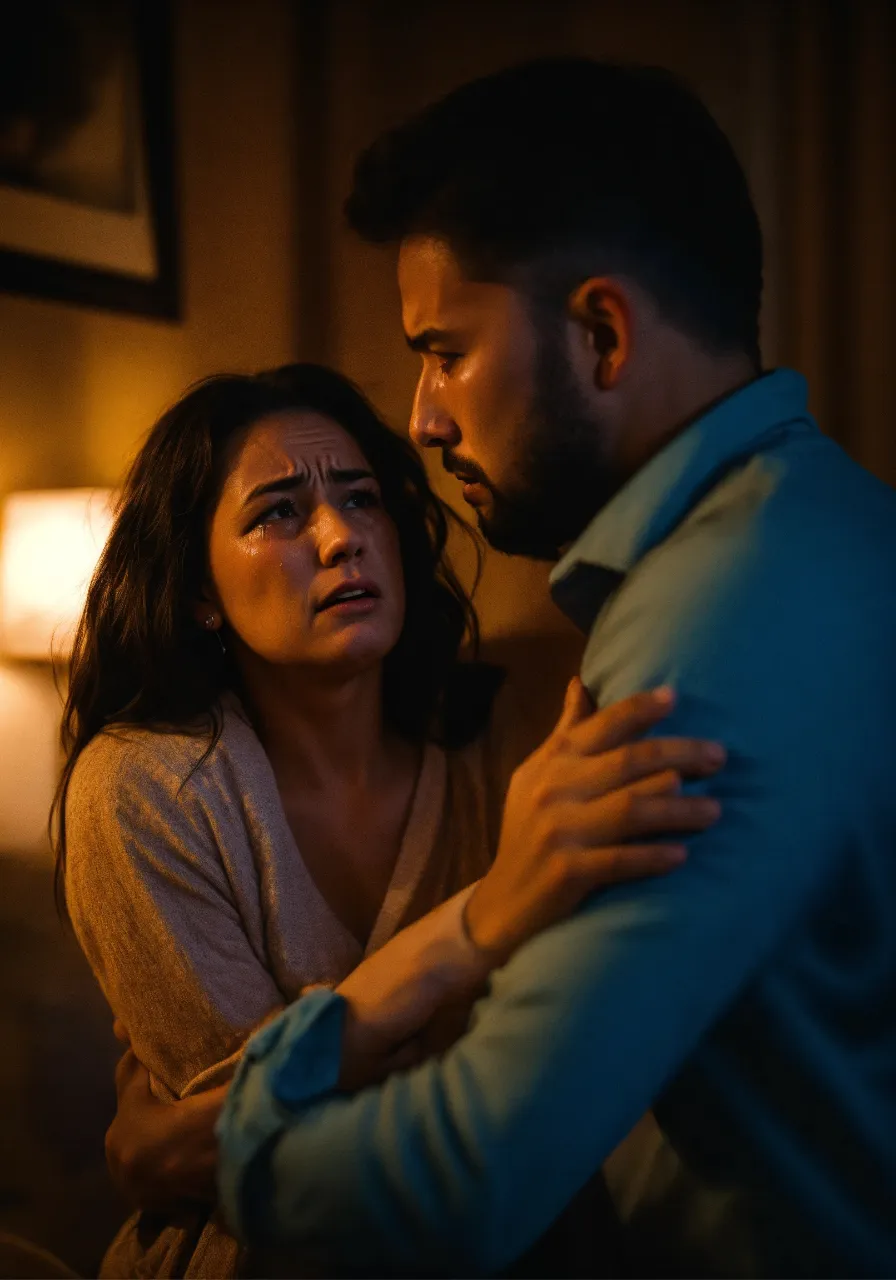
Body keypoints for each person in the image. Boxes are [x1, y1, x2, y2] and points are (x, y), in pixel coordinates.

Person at [111, 55, 896, 1277]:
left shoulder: (703, 630)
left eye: (446, 350)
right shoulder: (828, 522)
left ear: (600, 333)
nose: (422, 418)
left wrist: (215, 1145)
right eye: (275, 510)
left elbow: (469, 1167)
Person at [58, 361, 725, 1277]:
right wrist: (486, 926)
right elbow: (271, 1166)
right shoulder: (147, 788)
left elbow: (237, 1129)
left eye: (362, 498)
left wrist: (168, 1143)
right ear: (200, 591)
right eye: (278, 512)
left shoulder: (508, 733)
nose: (341, 538)